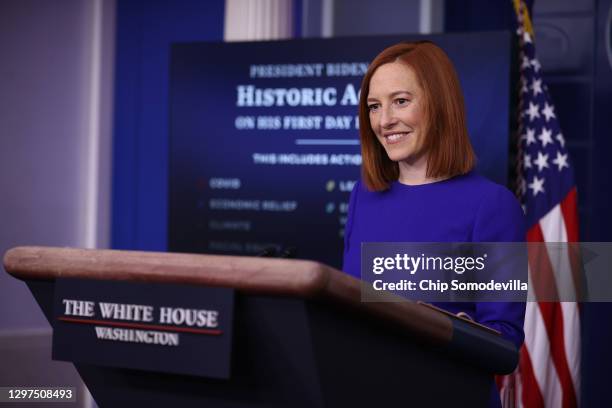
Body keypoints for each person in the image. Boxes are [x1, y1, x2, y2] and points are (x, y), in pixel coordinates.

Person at [342, 40, 525, 405]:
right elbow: (347, 307)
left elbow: (504, 346)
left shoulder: (493, 205)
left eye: (401, 101)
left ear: (439, 104)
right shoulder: (364, 196)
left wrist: (454, 332)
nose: (384, 120)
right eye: (374, 106)